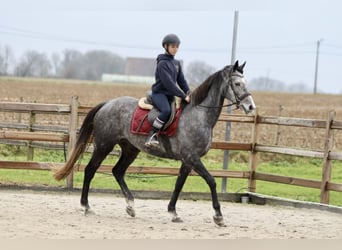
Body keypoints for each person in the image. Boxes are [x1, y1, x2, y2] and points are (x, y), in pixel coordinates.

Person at [145, 34, 191, 147]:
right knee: (166, 111)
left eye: (177, 47)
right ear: (165, 46)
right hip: (159, 93)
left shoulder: (176, 63)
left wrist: (188, 91)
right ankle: (152, 135)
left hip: (170, 95)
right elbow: (169, 83)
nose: (175, 49)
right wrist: (182, 95)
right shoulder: (162, 63)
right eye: (173, 46)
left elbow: (181, 80)